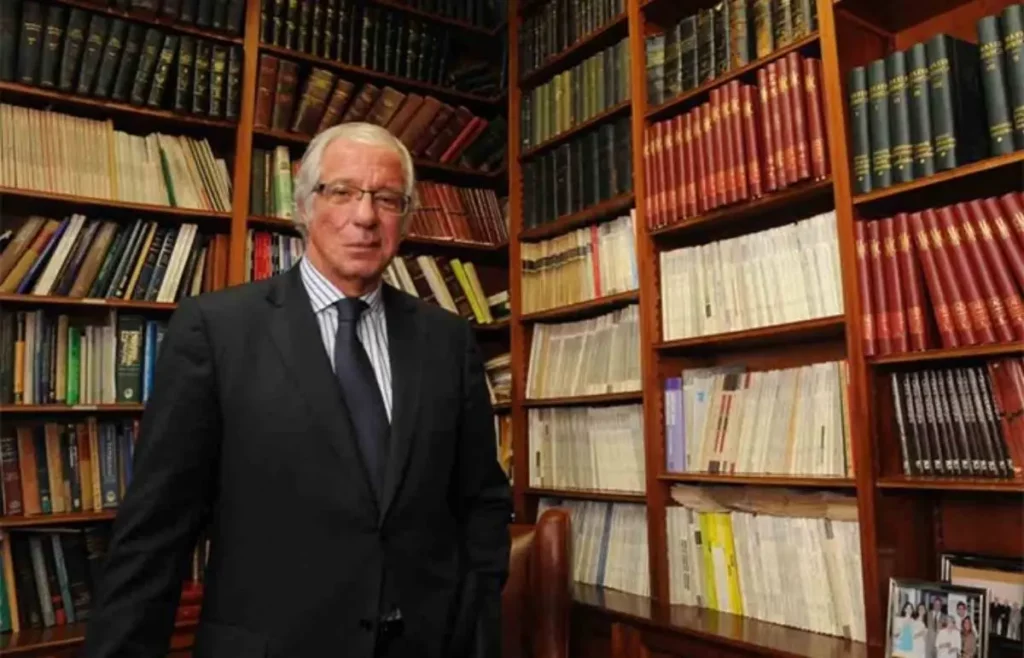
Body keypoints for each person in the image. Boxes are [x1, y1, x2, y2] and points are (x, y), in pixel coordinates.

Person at [80, 122, 514, 658]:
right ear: (305, 205)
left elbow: (481, 498)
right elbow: (155, 528)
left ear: (405, 218)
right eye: (342, 192)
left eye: (386, 199)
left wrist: (474, 625)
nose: (365, 216)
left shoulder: (446, 339)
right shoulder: (216, 330)